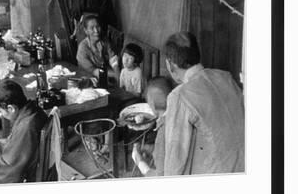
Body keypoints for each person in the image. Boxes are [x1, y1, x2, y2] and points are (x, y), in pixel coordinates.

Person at [141, 32, 244, 176]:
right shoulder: (225, 76)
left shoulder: (179, 97)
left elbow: (173, 169)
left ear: (170, 64)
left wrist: (142, 165)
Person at [0, 80, 48, 184]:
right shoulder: (32, 110)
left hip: (29, 176)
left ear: (11, 108)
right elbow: (21, 145)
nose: (0, 115)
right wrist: (6, 143)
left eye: (0, 111)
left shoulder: (26, 126)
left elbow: (7, 173)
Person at [131, 76, 174, 176]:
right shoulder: (176, 116)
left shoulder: (163, 130)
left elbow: (160, 177)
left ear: (151, 104)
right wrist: (152, 149)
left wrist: (139, 161)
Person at [76, 14, 119, 85]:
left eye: (98, 26)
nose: (96, 31)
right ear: (86, 31)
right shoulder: (83, 48)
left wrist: (118, 73)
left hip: (103, 74)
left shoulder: (104, 41)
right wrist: (115, 75)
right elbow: (93, 71)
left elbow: (113, 59)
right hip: (87, 79)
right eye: (92, 28)